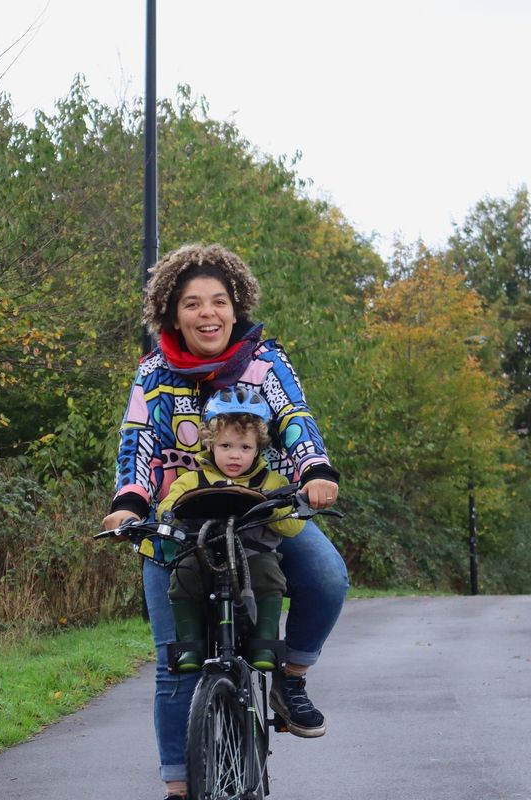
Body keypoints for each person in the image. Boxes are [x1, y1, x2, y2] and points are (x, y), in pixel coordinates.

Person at [101, 244, 347, 800]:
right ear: (172, 313)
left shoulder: (264, 361)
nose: (207, 313)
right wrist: (131, 503)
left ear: (236, 308)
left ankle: (290, 680)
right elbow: (139, 439)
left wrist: (315, 470)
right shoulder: (154, 371)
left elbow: (293, 416)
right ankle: (178, 789)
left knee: (327, 577)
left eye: (218, 301)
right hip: (177, 522)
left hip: (262, 509)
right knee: (175, 668)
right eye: (192, 304)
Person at [160, 386, 304, 672]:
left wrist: (276, 505)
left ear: (259, 449)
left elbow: (292, 527)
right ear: (210, 445)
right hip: (204, 554)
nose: (235, 455)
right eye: (226, 446)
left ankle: (264, 643)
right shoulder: (193, 479)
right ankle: (190, 646)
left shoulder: (271, 481)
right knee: (183, 573)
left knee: (269, 572)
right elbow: (169, 505)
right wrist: (167, 514)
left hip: (253, 555)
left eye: (245, 447)